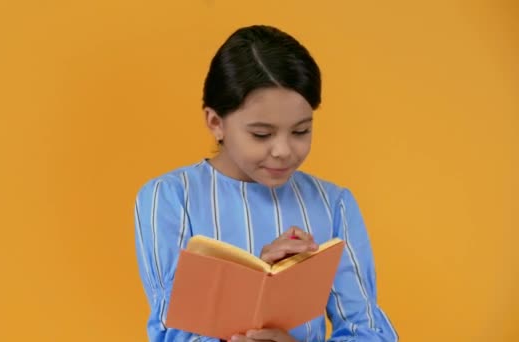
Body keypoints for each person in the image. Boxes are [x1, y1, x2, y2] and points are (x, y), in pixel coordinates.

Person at [134, 25, 398, 342]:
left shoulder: (333, 204)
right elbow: (172, 331)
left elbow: (368, 330)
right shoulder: (171, 198)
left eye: (301, 131)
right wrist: (252, 286)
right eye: (261, 134)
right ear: (216, 123)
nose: (284, 150)